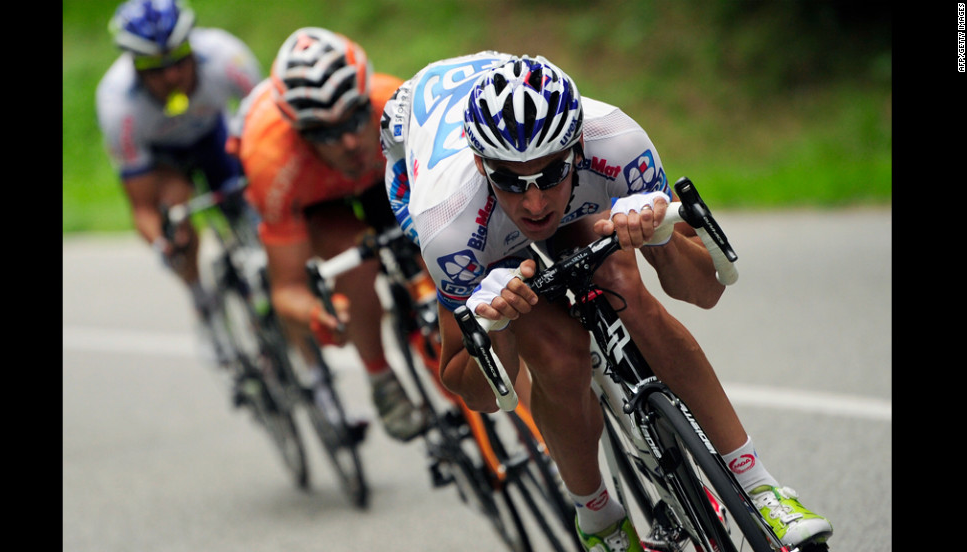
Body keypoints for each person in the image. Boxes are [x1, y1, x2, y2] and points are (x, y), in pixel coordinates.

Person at [380, 51, 834, 551]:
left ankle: (759, 485)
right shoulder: (446, 221)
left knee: (627, 291)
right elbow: (481, 394)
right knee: (556, 355)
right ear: (480, 163)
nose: (534, 203)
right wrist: (496, 323)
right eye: (511, 180)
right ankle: (597, 517)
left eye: (550, 174)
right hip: (444, 190)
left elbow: (704, 290)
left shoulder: (617, 142)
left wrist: (659, 236)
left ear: (576, 148)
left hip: (551, 179)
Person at [226, 27, 427, 442]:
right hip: (315, 197)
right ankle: (380, 377)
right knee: (349, 249)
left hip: (379, 177)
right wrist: (317, 312)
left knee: (429, 242)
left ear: (366, 97)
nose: (350, 141)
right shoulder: (271, 161)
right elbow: (287, 289)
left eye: (355, 118)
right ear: (299, 131)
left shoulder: (398, 105)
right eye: (325, 132)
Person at [95, 0, 262, 364]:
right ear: (134, 67)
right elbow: (141, 207)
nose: (172, 76)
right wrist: (163, 243)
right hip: (165, 160)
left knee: (257, 200)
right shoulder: (117, 104)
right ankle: (201, 299)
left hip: (215, 138)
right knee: (175, 213)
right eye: (155, 69)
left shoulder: (226, 57)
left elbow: (268, 131)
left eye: (179, 60)